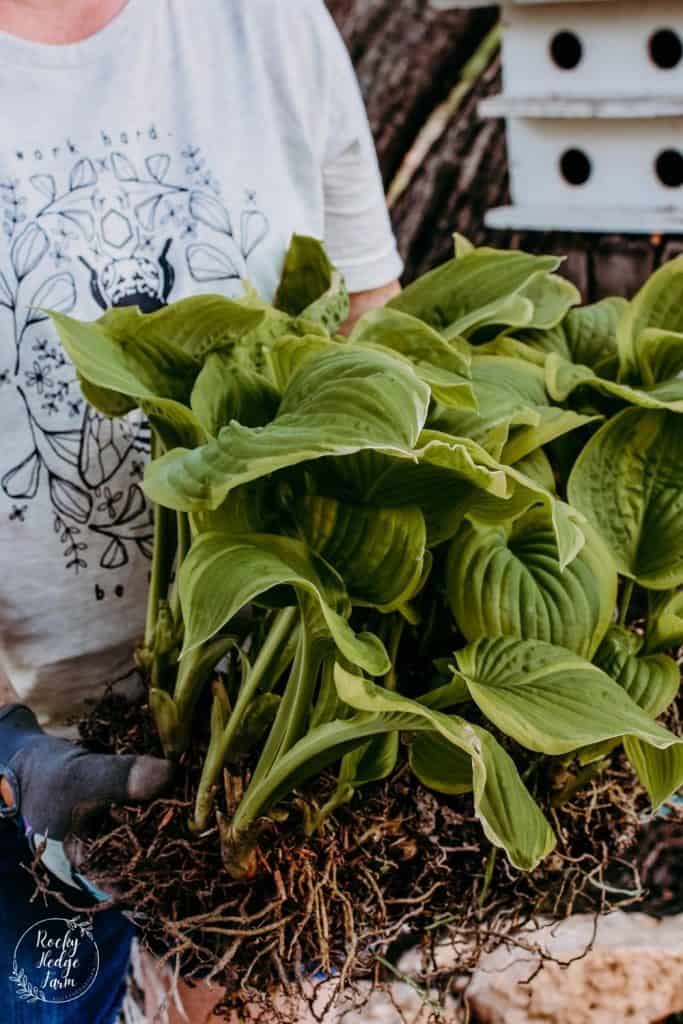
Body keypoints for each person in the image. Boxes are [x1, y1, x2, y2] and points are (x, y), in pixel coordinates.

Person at [0, 1, 403, 1021]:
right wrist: (11, 759)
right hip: (28, 769)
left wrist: (262, 850)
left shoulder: (264, 22)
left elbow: (372, 353)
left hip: (272, 772)